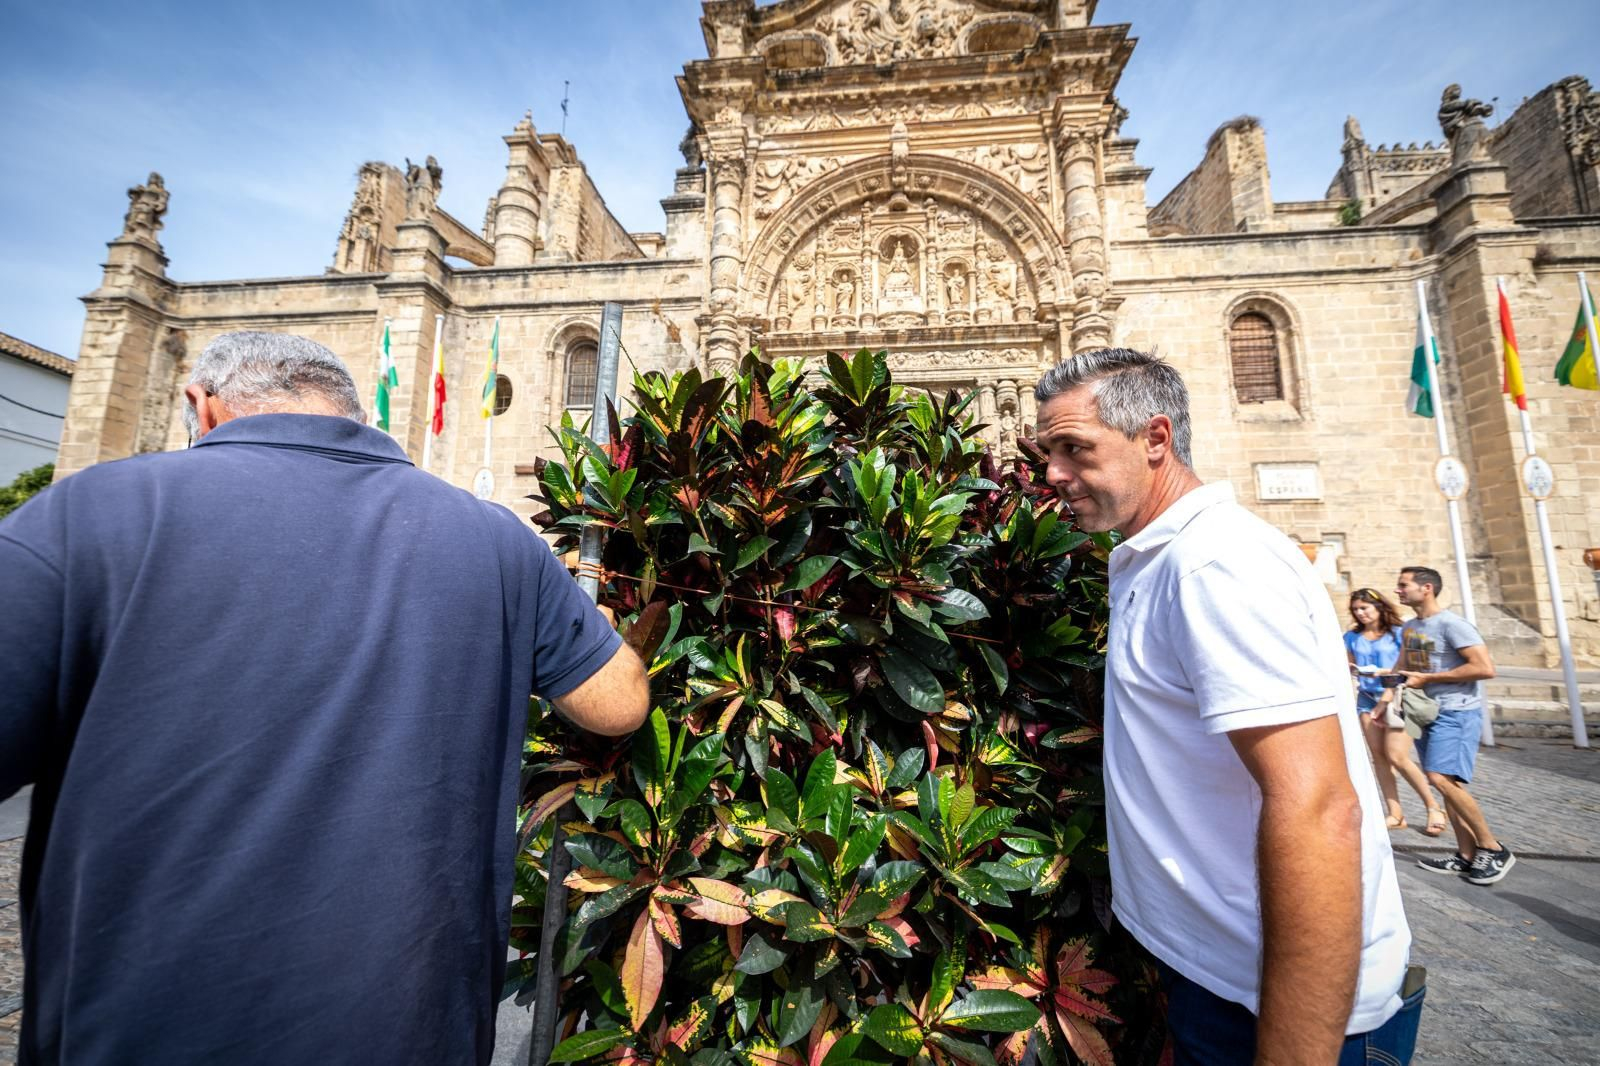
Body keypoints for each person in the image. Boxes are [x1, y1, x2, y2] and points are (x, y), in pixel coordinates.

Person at [0, 332, 649, 1065]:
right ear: (348, 410)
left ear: (200, 405)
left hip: (141, 1029)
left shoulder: (94, 512)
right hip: (413, 1030)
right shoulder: (496, 537)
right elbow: (618, 705)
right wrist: (585, 616)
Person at [1033, 348, 1419, 1065]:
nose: (1051, 473)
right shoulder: (1159, 555)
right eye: (1046, 452)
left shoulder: (1214, 565)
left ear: (1155, 438)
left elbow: (1319, 808)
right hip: (1219, 980)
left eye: (1073, 448)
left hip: (1275, 1006)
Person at [1394, 566, 1513, 885]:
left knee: (1440, 777)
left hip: (1456, 712)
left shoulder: (1453, 625)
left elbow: (1484, 668)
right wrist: (1376, 678)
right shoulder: (1410, 627)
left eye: (1403, 585)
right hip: (1424, 712)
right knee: (1444, 781)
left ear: (1426, 588)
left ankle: (1492, 847)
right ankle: (1466, 855)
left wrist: (1430, 678)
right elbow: (1404, 667)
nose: (1398, 590)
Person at [1344, 588, 1444, 834]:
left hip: (1399, 698)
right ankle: (1395, 813)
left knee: (1397, 755)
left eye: (1365, 608)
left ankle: (1433, 806)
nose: (1360, 613)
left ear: (1379, 607)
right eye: (1356, 609)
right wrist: (1355, 670)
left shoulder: (1402, 632)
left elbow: (1420, 665)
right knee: (1378, 757)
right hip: (1367, 698)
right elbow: (1348, 664)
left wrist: (1385, 674)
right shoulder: (1351, 637)